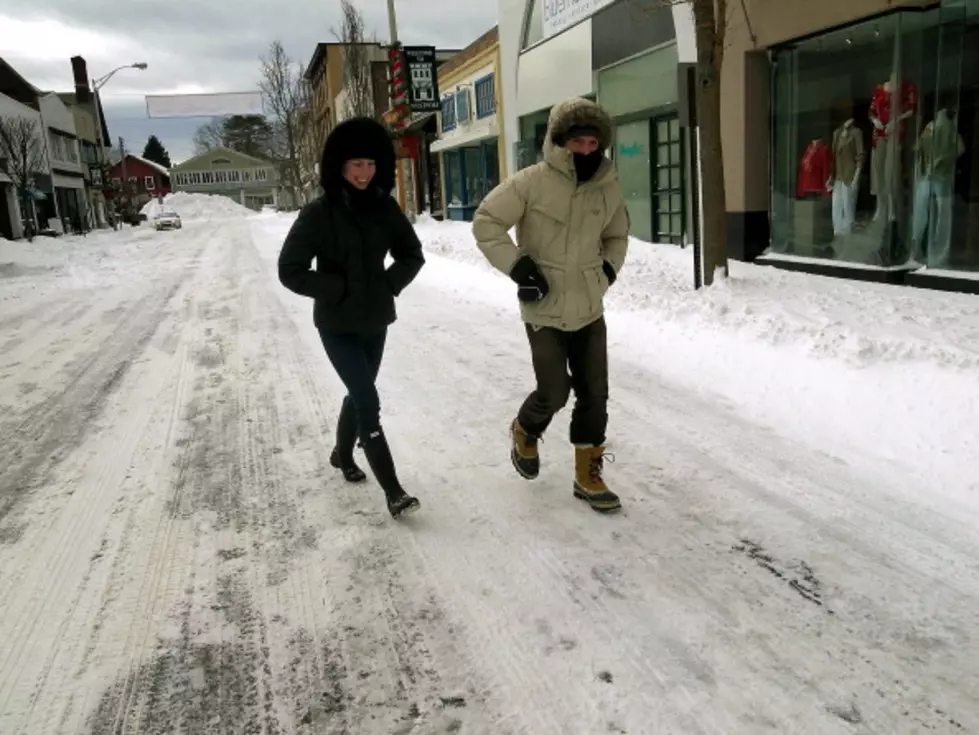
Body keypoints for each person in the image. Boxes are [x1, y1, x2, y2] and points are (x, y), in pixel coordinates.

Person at [472, 97, 629, 513]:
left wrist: (607, 273)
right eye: (578, 141)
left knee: (596, 394)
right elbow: (486, 222)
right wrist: (519, 267)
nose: (586, 150)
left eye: (593, 142)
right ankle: (526, 429)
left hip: (590, 308)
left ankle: (588, 474)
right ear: (560, 142)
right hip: (543, 308)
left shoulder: (607, 186)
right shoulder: (530, 182)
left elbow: (617, 237)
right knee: (555, 391)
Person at [278, 117, 424, 519]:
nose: (365, 173)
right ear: (340, 167)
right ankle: (394, 492)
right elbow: (289, 269)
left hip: (375, 320)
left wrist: (388, 284)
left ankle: (342, 455)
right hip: (337, 325)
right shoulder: (318, 214)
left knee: (357, 392)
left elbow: (412, 254)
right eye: (356, 164)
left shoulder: (384, 207)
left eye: (371, 164)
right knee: (366, 398)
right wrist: (335, 289)